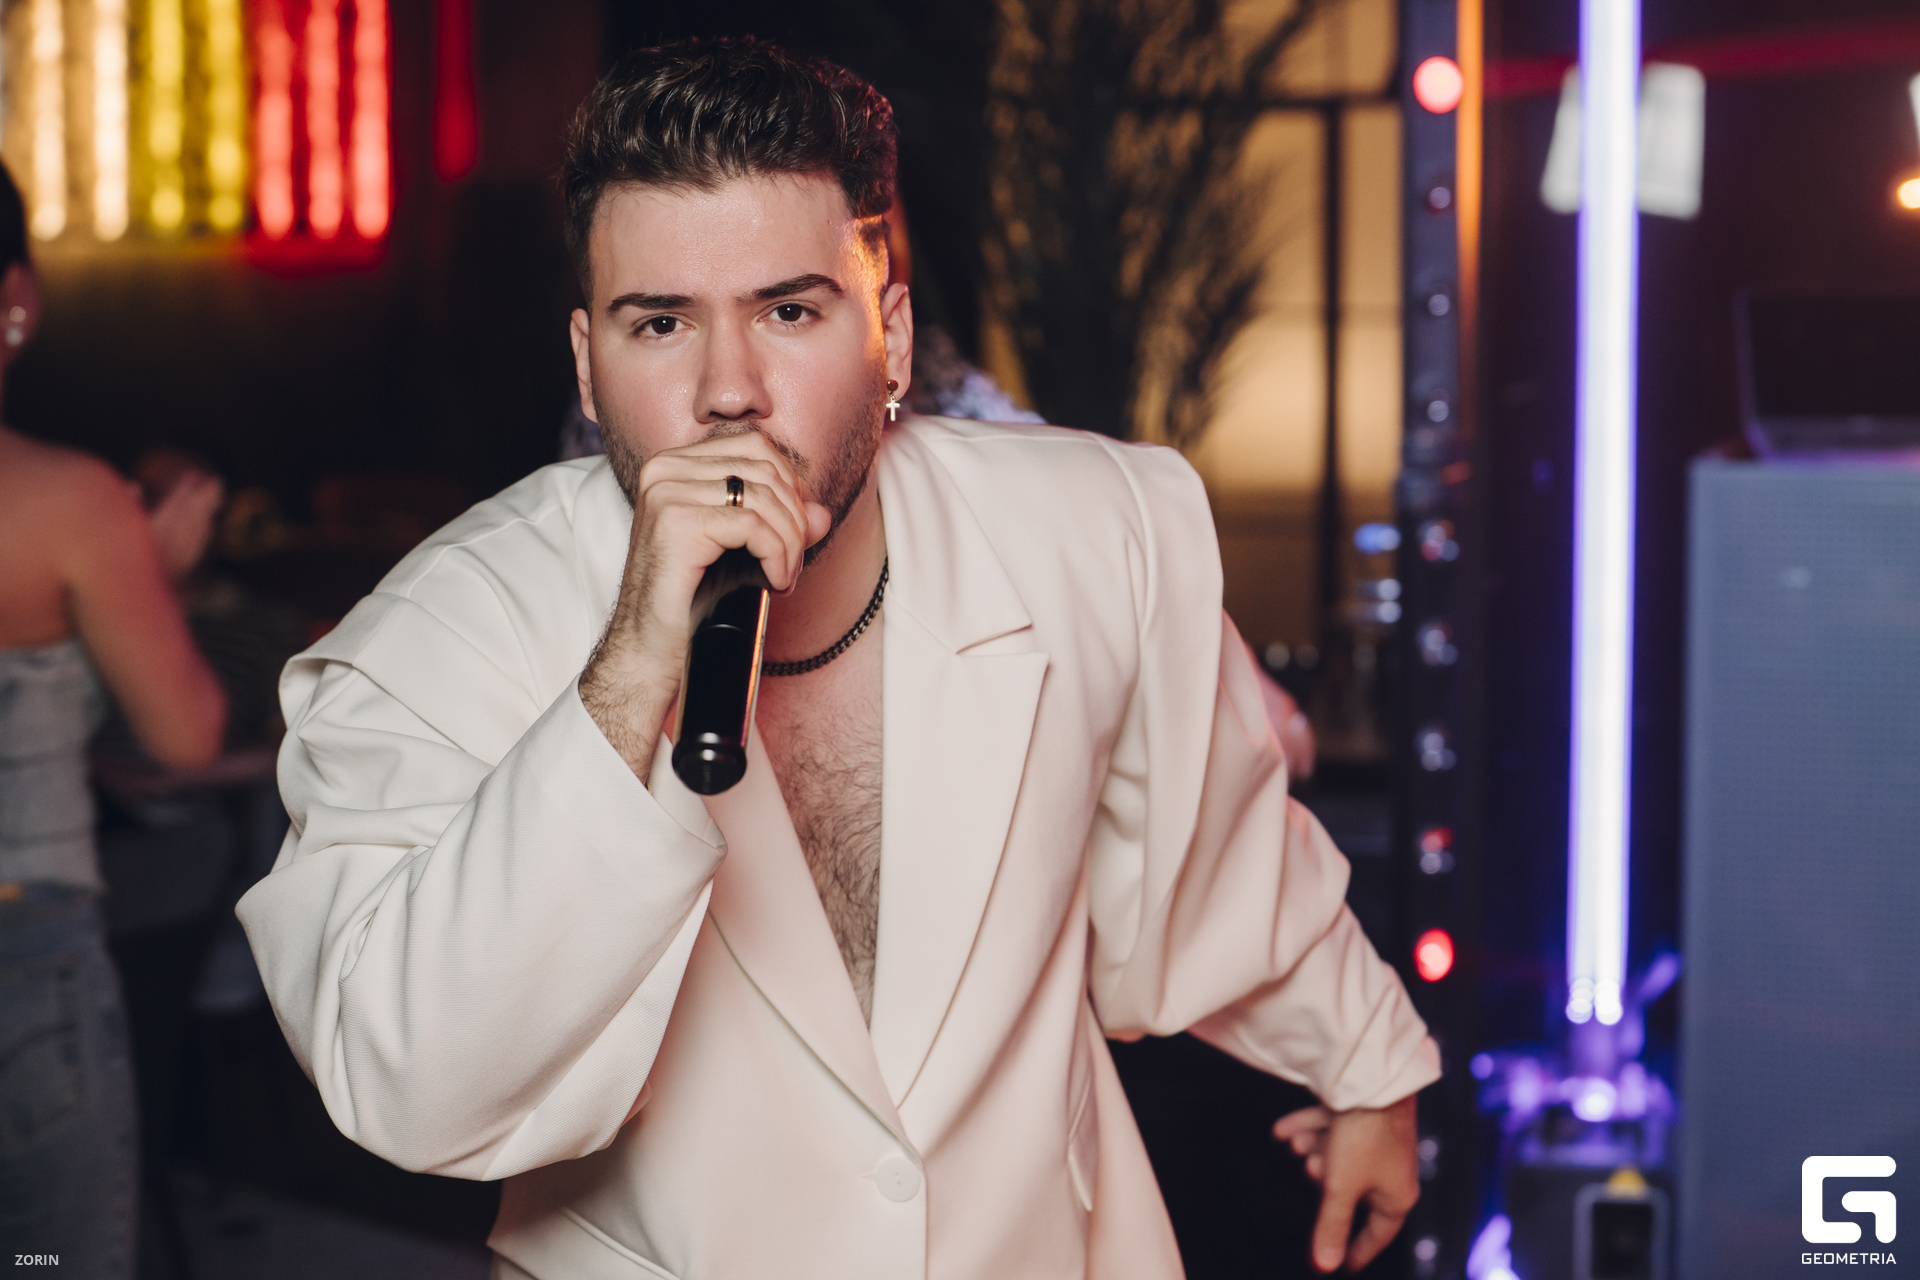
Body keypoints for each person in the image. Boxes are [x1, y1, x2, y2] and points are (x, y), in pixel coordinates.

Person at [238, 39, 1435, 1279]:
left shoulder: (1095, 527)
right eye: (662, 323)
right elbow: (408, 1078)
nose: (729, 390)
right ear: (589, 367)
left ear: (893, 340)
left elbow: (1224, 842)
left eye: (790, 311)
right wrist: (632, 669)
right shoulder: (442, 626)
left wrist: (1371, 1070)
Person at [0, 163, 227, 1276]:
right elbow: (186, 734)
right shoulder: (67, 502)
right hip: (23, 960)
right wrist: (153, 576)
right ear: (17, 301)